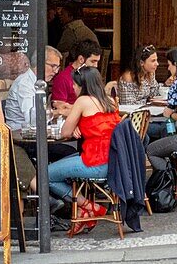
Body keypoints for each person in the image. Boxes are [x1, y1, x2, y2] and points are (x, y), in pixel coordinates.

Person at [47, 66, 120, 235]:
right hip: (112, 161)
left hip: (94, 162)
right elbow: (97, 125)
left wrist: (74, 125)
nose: (72, 87)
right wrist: (79, 124)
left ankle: (87, 205)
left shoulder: (82, 101)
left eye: (74, 84)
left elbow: (65, 132)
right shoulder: (110, 100)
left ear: (83, 85)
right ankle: (86, 210)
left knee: (45, 175)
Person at [4, 46, 61, 131]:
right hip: (19, 136)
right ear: (39, 63)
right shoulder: (24, 84)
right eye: (53, 66)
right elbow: (32, 120)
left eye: (58, 67)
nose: (56, 71)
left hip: (32, 134)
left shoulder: (38, 82)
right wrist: (58, 112)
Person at [51, 39, 102, 115]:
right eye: (93, 61)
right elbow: (59, 107)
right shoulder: (63, 78)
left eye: (97, 61)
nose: (96, 66)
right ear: (81, 59)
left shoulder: (92, 75)